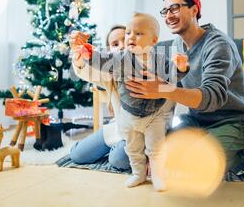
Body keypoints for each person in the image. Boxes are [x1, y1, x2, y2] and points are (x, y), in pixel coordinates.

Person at [125, 0, 244, 170]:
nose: (168, 16)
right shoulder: (177, 44)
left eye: (175, 8)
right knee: (156, 155)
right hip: (195, 120)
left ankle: (241, 153)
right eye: (165, 11)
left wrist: (162, 88)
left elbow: (212, 97)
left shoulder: (219, 44)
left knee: (198, 167)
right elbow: (170, 86)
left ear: (194, 10)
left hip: (230, 121)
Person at [71, 13, 189, 191]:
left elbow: (173, 75)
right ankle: (138, 173)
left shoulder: (159, 60)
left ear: (153, 40)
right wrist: (83, 53)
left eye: (137, 34)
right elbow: (93, 65)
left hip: (154, 119)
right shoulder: (115, 64)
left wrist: (182, 68)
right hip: (124, 124)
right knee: (82, 154)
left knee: (139, 154)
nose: (127, 41)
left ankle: (157, 174)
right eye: (116, 43)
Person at [69, 25, 130, 171]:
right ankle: (116, 147)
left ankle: (120, 150)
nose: (121, 46)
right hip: (118, 129)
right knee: (77, 155)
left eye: (125, 40)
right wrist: (79, 55)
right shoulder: (109, 73)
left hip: (140, 134)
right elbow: (86, 71)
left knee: (119, 160)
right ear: (109, 52)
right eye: (115, 44)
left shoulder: (146, 66)